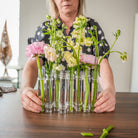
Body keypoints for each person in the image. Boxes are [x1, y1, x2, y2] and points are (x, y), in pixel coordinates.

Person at [21, 0, 116, 113]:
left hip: (84, 106)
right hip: (51, 106)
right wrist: (25, 88)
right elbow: (33, 64)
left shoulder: (92, 27)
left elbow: (101, 62)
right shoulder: (46, 28)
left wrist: (110, 89)